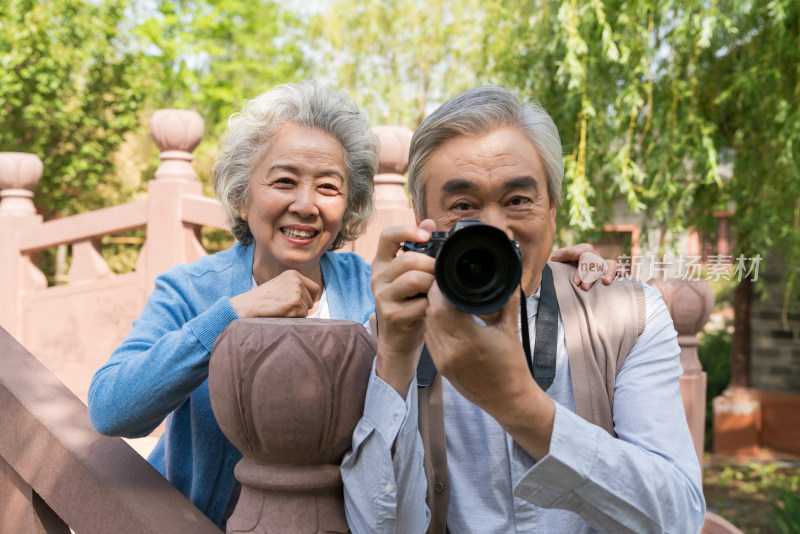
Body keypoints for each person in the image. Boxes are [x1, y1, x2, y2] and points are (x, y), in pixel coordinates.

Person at [341, 86, 706, 533]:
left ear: (552, 208)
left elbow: (680, 517)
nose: (495, 228)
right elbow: (375, 526)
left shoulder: (627, 317)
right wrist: (396, 360)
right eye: (463, 206)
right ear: (423, 218)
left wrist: (522, 408)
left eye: (518, 200)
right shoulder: (390, 330)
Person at [88, 82, 379, 526]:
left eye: (328, 187)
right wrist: (231, 317)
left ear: (349, 205)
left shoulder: (369, 290)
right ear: (243, 197)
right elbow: (111, 409)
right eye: (284, 181)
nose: (305, 205)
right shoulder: (190, 290)